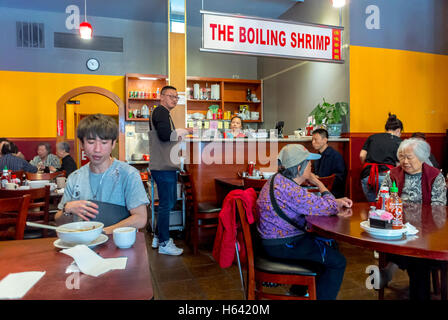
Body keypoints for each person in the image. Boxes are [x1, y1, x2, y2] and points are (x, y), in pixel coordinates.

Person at [256, 144, 353, 300]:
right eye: (309, 163)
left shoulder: (278, 180)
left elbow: (319, 204)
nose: (311, 166)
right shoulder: (292, 190)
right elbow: (329, 207)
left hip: (272, 241)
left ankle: (299, 291)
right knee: (338, 262)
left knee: (329, 243)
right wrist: (319, 183)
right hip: (283, 245)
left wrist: (335, 201)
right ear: (300, 167)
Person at [55, 114, 149, 235]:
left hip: (119, 246)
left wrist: (103, 232)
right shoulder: (75, 178)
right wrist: (67, 209)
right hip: (82, 247)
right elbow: (60, 223)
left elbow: (140, 218)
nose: (97, 149)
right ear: (82, 144)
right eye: (91, 142)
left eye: (104, 142)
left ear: (113, 144)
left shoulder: (128, 174)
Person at [378, 138, 447, 300]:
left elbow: (438, 208)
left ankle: (392, 266)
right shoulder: (393, 174)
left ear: (422, 157)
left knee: (418, 257)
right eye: (401, 157)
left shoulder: (435, 176)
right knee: (412, 252)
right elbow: (381, 198)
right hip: (398, 227)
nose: (404, 161)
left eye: (409, 157)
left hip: (428, 232)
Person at [149, 85, 184, 255]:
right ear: (161, 97)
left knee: (166, 202)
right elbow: (164, 135)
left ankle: (157, 236)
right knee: (167, 203)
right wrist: (183, 132)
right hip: (163, 166)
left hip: (161, 166)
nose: (175, 100)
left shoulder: (162, 113)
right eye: (171, 96)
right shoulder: (161, 112)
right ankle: (164, 242)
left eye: (177, 97)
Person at [360, 113, 403, 203]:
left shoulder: (372, 137)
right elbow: (399, 165)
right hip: (386, 176)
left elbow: (362, 155)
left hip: (367, 175)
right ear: (398, 130)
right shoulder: (398, 141)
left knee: (372, 205)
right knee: (386, 206)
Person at [311, 128, 347, 198]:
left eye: (315, 139)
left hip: (333, 193)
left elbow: (340, 178)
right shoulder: (317, 156)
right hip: (319, 190)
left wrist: (320, 179)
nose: (313, 142)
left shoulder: (335, 156)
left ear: (325, 140)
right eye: (312, 140)